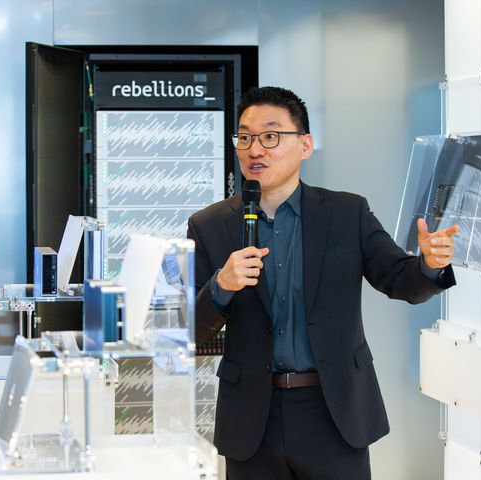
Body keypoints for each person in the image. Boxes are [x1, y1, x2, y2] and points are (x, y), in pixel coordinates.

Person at [187, 86, 458, 480]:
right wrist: (221, 286)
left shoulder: (347, 213)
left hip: (334, 411)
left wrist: (429, 265)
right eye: (244, 138)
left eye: (270, 136)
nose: (255, 149)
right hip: (252, 418)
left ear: (306, 145)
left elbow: (400, 280)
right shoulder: (209, 225)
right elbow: (189, 331)